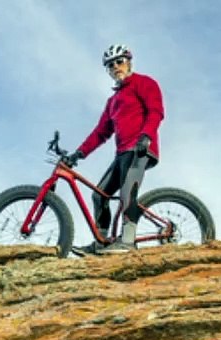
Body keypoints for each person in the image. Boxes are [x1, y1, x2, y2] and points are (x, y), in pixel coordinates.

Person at [64, 44, 164, 253]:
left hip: (140, 150)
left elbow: (156, 111)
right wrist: (79, 154)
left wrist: (146, 136)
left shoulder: (144, 83)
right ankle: (101, 243)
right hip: (121, 154)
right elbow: (100, 133)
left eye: (119, 62)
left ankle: (127, 241)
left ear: (128, 62)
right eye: (110, 65)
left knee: (128, 191)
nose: (116, 67)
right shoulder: (113, 101)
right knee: (99, 195)